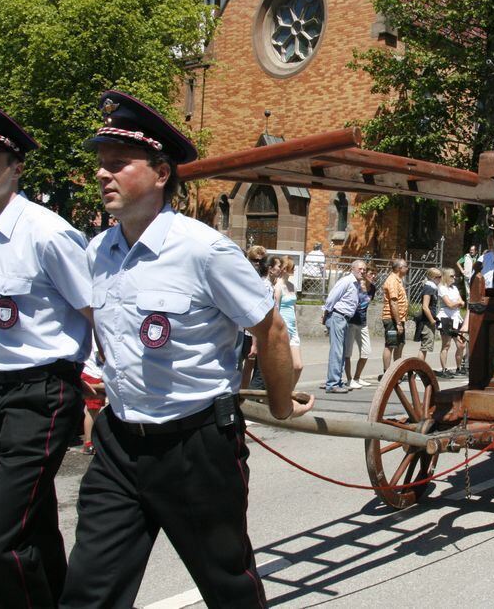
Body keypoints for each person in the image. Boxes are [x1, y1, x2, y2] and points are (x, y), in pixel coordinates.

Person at [60, 90, 311, 608]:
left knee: (227, 586)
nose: (103, 174)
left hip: (196, 448)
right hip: (119, 444)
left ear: (160, 173)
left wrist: (281, 403)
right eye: (101, 165)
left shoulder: (205, 250)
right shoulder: (97, 252)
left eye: (118, 164)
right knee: (89, 590)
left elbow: (271, 330)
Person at [0, 98, 92, 607]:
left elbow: (96, 310)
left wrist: (103, 387)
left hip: (42, 394)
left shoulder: (47, 232)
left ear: (16, 168)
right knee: (31, 529)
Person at [322, 260, 364, 393]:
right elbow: (332, 298)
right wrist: (325, 314)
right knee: (337, 350)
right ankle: (332, 384)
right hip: (338, 316)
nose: (362, 271)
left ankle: (338, 381)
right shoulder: (346, 281)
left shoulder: (356, 284)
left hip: (345, 319)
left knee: (342, 350)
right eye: (360, 269)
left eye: (364, 269)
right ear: (353, 269)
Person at [241, 245, 268, 390]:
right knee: (243, 367)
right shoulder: (243, 278)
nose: (258, 264)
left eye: (261, 261)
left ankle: (248, 399)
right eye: (254, 260)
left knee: (256, 368)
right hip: (242, 331)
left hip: (256, 332)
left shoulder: (264, 281)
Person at [344, 265, 376, 388]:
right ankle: (349, 379)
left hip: (362, 323)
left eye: (375, 274)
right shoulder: (356, 286)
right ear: (365, 274)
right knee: (348, 352)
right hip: (351, 322)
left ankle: (357, 377)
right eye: (371, 273)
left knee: (366, 351)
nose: (374, 276)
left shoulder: (372, 288)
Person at [274, 256, 303, 388]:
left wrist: (296, 328)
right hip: (282, 330)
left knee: (298, 366)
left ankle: (288, 392)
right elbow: (276, 309)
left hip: (293, 330)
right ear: (285, 269)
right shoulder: (278, 287)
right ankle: (282, 394)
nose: (294, 269)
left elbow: (294, 309)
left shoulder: (292, 286)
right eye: (292, 267)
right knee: (282, 367)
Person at [437, 267, 466, 378]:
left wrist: (457, 303)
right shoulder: (442, 288)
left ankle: (458, 368)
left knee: (461, 344)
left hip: (456, 317)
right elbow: (449, 304)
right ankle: (444, 369)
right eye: (452, 276)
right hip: (445, 317)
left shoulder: (454, 288)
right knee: (446, 345)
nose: (454, 278)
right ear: (445, 277)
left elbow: (462, 302)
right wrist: (457, 303)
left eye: (454, 276)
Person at [382, 258, 409, 372]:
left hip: (399, 319)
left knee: (399, 344)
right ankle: (387, 373)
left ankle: (397, 371)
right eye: (406, 266)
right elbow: (393, 303)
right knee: (391, 345)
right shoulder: (392, 281)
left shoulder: (398, 280)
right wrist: (398, 323)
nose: (407, 268)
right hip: (392, 320)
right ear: (399, 268)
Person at [79, 347, 105, 455]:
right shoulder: (97, 335)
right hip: (93, 374)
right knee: (92, 410)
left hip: (93, 373)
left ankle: (90, 441)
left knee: (94, 410)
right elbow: (101, 356)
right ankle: (88, 443)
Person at [416, 267, 441, 363]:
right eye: (439, 277)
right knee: (424, 347)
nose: (440, 279)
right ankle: (417, 371)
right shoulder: (429, 288)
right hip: (427, 321)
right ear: (433, 277)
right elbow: (425, 307)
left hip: (429, 320)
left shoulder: (433, 288)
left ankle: (418, 370)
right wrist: (432, 320)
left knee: (426, 347)